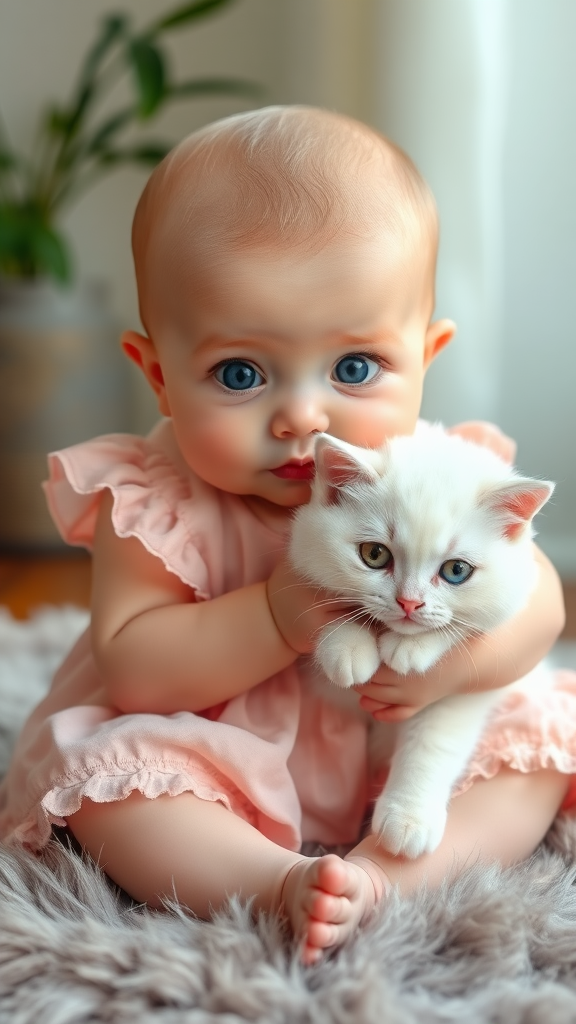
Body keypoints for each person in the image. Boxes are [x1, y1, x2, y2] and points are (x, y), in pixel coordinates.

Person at [1, 106, 575, 966]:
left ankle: (391, 875)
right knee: (110, 780)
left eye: (353, 368)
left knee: (534, 740)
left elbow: (540, 608)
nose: (304, 416)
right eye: (241, 373)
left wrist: (450, 675)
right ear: (159, 376)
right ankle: (272, 881)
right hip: (218, 755)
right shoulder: (157, 496)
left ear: (426, 355)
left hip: (398, 748)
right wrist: (277, 616)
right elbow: (136, 666)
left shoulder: (440, 480)